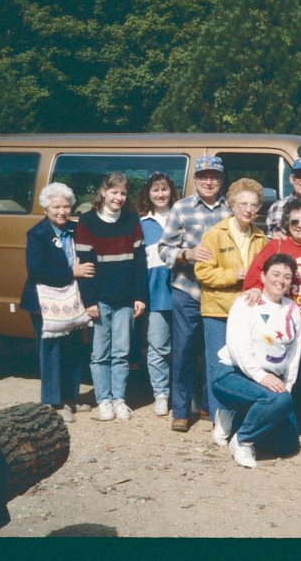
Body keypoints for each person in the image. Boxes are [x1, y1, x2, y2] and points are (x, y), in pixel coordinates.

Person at [244, 200, 301, 446]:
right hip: (285, 334)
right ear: (286, 225)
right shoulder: (277, 245)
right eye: (294, 222)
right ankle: (286, 425)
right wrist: (253, 289)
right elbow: (255, 275)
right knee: (285, 383)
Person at [158, 155, 232, 433]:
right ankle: (180, 410)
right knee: (184, 350)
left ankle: (213, 410)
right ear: (196, 180)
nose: (209, 181)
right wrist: (186, 254)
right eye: (203, 176)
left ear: (221, 180)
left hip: (221, 293)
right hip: (187, 289)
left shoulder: (231, 209)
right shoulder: (181, 208)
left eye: (214, 176)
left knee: (217, 353)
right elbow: (163, 249)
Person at [212, 253, 301, 468]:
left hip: (268, 380)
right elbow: (238, 347)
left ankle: (236, 419)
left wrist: (287, 387)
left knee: (288, 444)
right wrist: (260, 376)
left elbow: (294, 353)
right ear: (263, 276)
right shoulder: (247, 302)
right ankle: (242, 440)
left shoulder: (292, 308)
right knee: (277, 401)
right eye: (276, 274)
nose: (281, 280)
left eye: (287, 277)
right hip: (233, 374)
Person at [195, 178, 267, 446]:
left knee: (246, 366)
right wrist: (235, 274)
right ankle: (219, 423)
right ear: (231, 205)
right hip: (218, 309)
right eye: (242, 204)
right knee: (219, 367)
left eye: (253, 205)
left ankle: (240, 419)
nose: (248, 209)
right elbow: (202, 271)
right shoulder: (216, 233)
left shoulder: (261, 237)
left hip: (248, 312)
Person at [75, 172, 148, 422]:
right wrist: (90, 301)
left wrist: (140, 295)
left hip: (126, 299)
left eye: (123, 193)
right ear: (103, 192)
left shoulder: (131, 220)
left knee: (122, 353)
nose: (119, 197)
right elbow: (84, 268)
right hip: (100, 299)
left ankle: (119, 399)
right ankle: (103, 400)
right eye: (114, 192)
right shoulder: (87, 222)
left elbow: (140, 262)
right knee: (100, 353)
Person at [20, 182, 96, 423]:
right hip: (44, 301)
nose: (62, 212)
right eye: (56, 207)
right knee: (51, 352)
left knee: (73, 347)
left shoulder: (75, 229)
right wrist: (71, 272)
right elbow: (36, 270)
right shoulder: (37, 233)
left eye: (66, 206)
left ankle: (71, 396)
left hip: (72, 300)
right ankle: (53, 402)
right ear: (46, 209)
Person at [136, 172, 181, 417]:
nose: (160, 194)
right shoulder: (143, 224)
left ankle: (182, 393)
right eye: (155, 190)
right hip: (156, 294)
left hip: (183, 291)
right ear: (148, 195)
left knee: (183, 348)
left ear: (171, 192)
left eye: (164, 189)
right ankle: (161, 394)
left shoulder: (182, 217)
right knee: (158, 347)